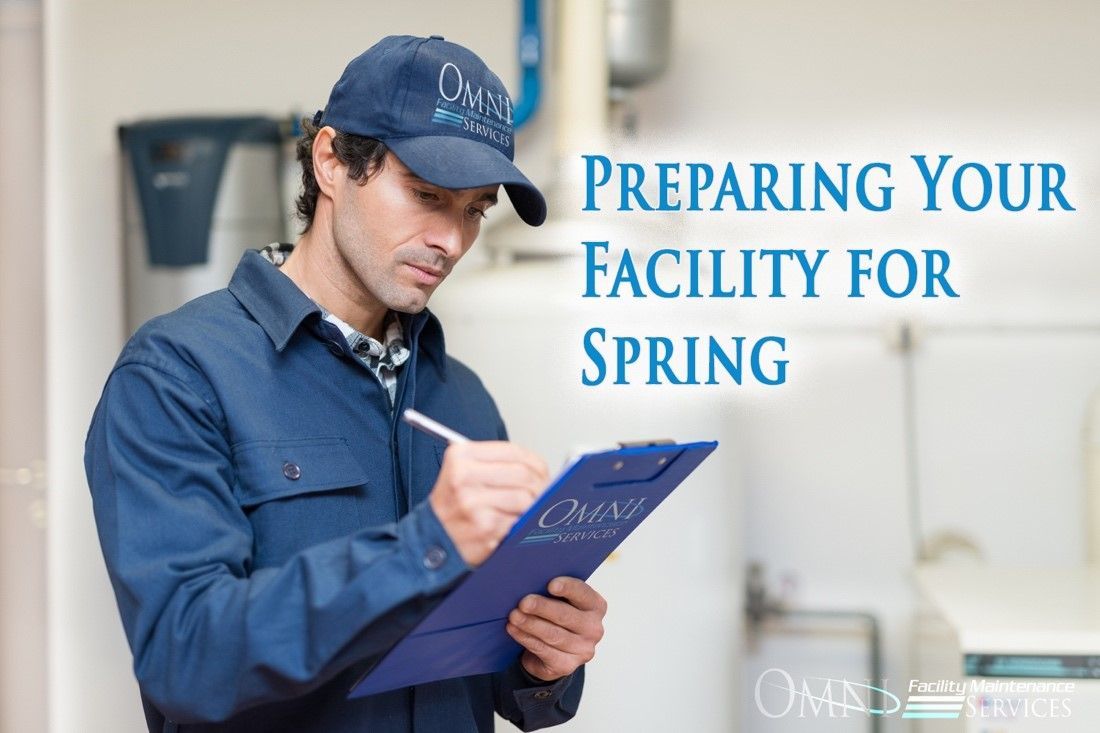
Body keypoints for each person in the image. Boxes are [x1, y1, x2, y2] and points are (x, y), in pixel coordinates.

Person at [84, 35, 606, 733]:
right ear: (332, 161)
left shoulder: (464, 397)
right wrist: (428, 544)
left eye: (476, 210)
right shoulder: (179, 376)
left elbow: (488, 673)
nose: (451, 239)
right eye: (426, 194)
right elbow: (187, 658)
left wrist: (544, 662)